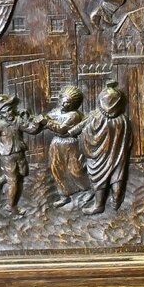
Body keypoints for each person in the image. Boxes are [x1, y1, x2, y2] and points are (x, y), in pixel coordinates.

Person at [74, 81, 131, 215]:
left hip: (98, 156)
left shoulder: (95, 117)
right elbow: (128, 140)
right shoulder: (123, 120)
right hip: (118, 155)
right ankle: (116, 200)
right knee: (117, 175)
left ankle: (99, 205)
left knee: (99, 177)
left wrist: (77, 134)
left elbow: (80, 129)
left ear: (100, 102)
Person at [0, 94, 44, 212]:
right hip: (6, 156)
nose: (8, 114)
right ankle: (11, 206)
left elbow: (31, 129)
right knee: (14, 181)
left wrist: (37, 122)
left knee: (23, 173)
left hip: (19, 152)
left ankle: (0, 181)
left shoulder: (18, 121)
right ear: (1, 113)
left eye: (10, 110)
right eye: (5, 112)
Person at [39, 85, 87, 207]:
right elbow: (46, 119)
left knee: (75, 169)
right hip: (56, 143)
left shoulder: (74, 115)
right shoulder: (55, 112)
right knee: (56, 169)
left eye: (68, 102)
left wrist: (46, 122)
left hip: (70, 143)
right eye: (63, 100)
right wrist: (39, 121)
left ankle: (88, 189)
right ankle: (64, 195)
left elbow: (61, 129)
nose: (64, 104)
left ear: (73, 104)